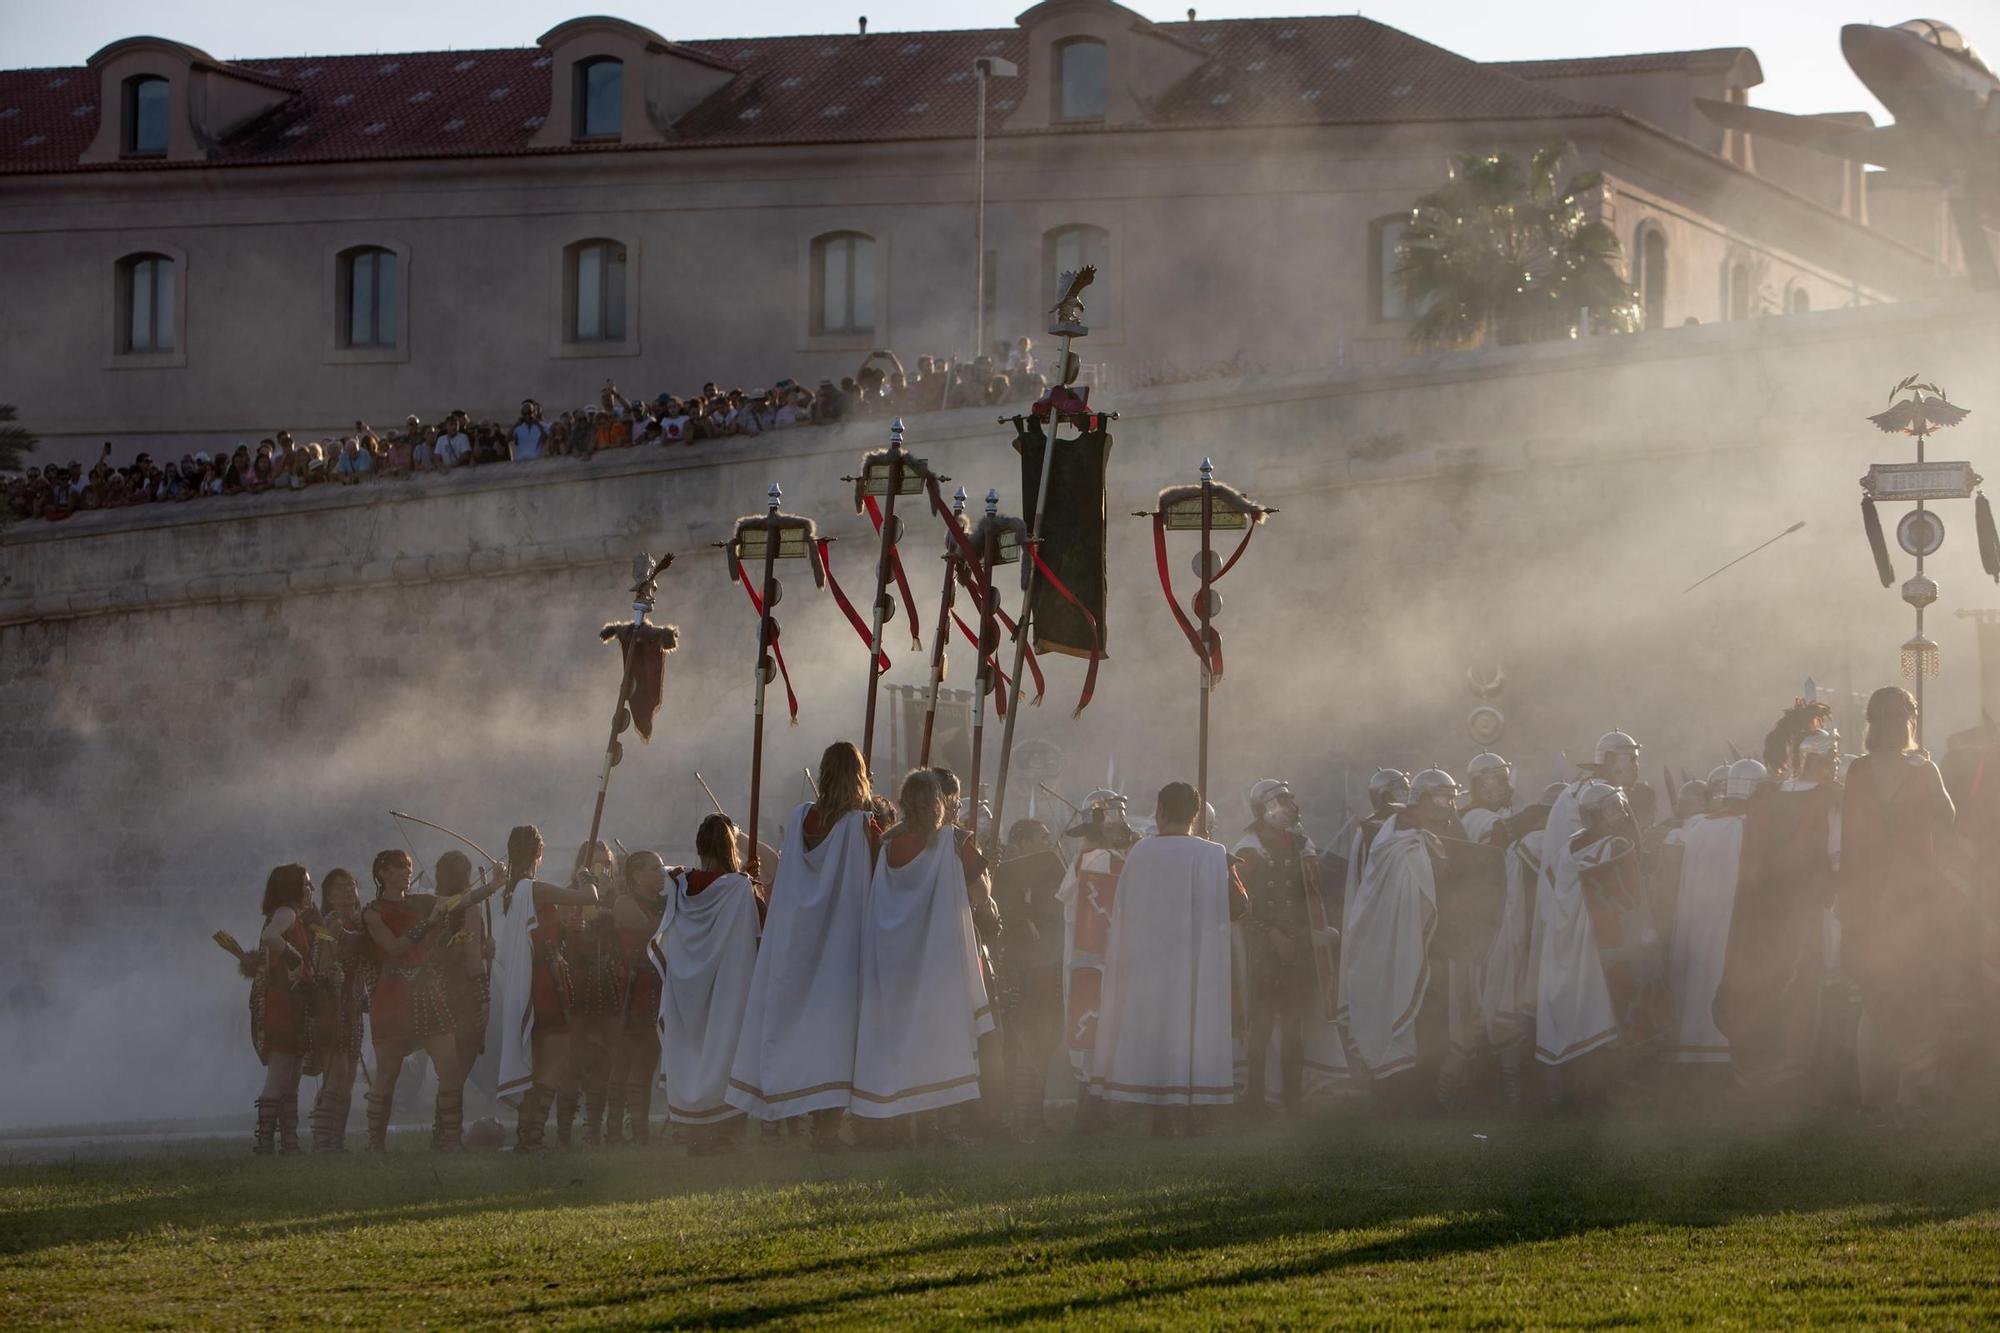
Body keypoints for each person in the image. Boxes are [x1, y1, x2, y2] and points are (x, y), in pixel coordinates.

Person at [726, 742, 883, 1147]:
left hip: (800, 937)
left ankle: (810, 1120)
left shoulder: (801, 818)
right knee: (835, 1030)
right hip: (841, 940)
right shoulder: (861, 825)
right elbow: (878, 873)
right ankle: (825, 1127)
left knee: (809, 1027)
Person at [1089, 783, 1247, 1136]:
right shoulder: (1214, 854)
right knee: (1191, 1028)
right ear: (1195, 814)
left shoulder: (1141, 853)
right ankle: (1191, 1115)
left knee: (1159, 1032)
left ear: (1160, 810)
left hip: (1150, 963)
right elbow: (1240, 909)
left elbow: (1125, 911)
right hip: (1196, 963)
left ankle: (1161, 1116)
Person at [851, 770, 996, 1140]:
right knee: (937, 1037)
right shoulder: (953, 841)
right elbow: (980, 895)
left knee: (900, 1039)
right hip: (935, 959)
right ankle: (935, 1125)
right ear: (938, 802)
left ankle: (898, 1123)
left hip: (895, 956)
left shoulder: (886, 846)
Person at [1838, 686, 1960, 1114]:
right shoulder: (1923, 770)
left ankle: (1875, 1097)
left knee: (1875, 995)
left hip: (1867, 898)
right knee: (1912, 990)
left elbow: (1850, 838)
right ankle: (1915, 1090)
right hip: (1910, 897)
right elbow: (1948, 820)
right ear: (1907, 721)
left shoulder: (1857, 772)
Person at [1715, 720, 1842, 1094]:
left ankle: (1767, 1067)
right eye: (1831, 756)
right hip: (1807, 910)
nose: (1835, 763)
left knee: (1771, 983)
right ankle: (1801, 1068)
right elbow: (1836, 859)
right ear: (1814, 758)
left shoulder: (1768, 796)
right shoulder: (1828, 797)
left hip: (1765, 910)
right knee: (1804, 985)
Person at [1343, 770, 1456, 1112]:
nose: (1449, 806)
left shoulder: (1421, 836)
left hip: (1426, 941)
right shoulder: (1398, 839)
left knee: (1433, 1018)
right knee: (1404, 1011)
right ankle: (1396, 1097)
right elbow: (1402, 892)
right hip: (1397, 941)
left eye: (1452, 798)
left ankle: (1425, 1094)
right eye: (1443, 797)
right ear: (1422, 799)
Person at [1533, 732, 1643, 1075]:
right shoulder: (1582, 797)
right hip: (1580, 908)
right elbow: (1587, 854)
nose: (1636, 765)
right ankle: (1585, 1078)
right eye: (1631, 757)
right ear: (1611, 759)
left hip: (1599, 908)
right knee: (1586, 992)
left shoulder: (1602, 792)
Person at [656, 815, 764, 1154]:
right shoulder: (739, 889)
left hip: (686, 986)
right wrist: (752, 884)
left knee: (692, 1054)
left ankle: (695, 1134)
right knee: (725, 1053)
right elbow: (762, 925)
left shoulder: (679, 885)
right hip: (725, 988)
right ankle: (723, 1134)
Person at [493, 824, 603, 1152]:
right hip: (544, 984)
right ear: (538, 854)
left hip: (537, 980)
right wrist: (587, 880)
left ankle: (528, 1137)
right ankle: (533, 1138)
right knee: (551, 1066)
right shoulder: (533, 889)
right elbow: (589, 898)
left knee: (540, 1064)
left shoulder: (513, 892)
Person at [1235, 778, 1336, 1115]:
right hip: (1264, 950)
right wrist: (1271, 935)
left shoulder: (1301, 845)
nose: (1292, 807)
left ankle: (1293, 1099)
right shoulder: (1248, 849)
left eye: (1291, 800)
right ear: (1267, 808)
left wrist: (1309, 936)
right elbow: (1241, 907)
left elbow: (1310, 897)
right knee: (1261, 1026)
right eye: (1284, 801)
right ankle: (1255, 1099)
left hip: (1299, 947)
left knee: (1295, 1026)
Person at [360, 849, 464, 1152]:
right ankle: (374, 1145)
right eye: (401, 867)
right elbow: (393, 948)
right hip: (392, 993)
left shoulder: (421, 902)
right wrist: (430, 922)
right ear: (383, 873)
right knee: (388, 1073)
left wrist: (494, 884)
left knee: (449, 1066)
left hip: (425, 990)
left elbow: (461, 901)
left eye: (408, 866)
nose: (408, 871)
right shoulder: (373, 911)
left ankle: (450, 1140)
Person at [1664, 759, 1761, 1074]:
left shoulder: (1699, 826)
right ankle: (1721, 1055)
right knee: (1721, 977)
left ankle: (1694, 1053)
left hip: (1698, 919)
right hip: (1729, 923)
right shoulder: (1748, 828)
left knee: (1697, 982)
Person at [1056, 788, 1138, 1132]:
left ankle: (1094, 1109)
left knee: (1099, 1031)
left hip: (1096, 956)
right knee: (1095, 1029)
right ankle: (1091, 1113)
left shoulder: (1093, 857)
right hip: (1094, 956)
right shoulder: (1101, 860)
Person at [992, 819, 1067, 1138]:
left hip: (1044, 967)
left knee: (1044, 1041)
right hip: (1020, 969)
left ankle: (1031, 1115)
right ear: (1022, 841)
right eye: (1041, 837)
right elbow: (1007, 917)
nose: (1047, 842)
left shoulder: (1046, 871)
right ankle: (1017, 1117)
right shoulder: (1006, 872)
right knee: (1021, 1042)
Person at [250, 864, 316, 1154]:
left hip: (295, 1002)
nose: (310, 890)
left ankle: (290, 1143)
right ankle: (265, 1143)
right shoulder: (286, 912)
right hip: (284, 1003)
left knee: (291, 1076)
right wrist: (295, 958)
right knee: (280, 1074)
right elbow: (270, 938)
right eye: (306, 884)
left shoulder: (294, 916)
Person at [563, 839, 623, 1148]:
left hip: (608, 983)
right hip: (577, 981)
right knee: (573, 1058)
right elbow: (565, 933)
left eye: (605, 863)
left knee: (607, 1060)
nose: (602, 868)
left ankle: (597, 1129)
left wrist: (609, 900)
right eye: (595, 863)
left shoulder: (619, 896)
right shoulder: (570, 894)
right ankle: (563, 1132)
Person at [606, 849, 668, 1146]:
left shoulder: (664, 904)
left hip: (656, 988)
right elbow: (649, 930)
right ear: (636, 875)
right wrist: (676, 915)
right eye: (655, 868)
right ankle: (626, 1133)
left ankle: (633, 1132)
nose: (661, 873)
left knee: (646, 1060)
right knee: (629, 1063)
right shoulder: (624, 903)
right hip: (632, 990)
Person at [306, 868, 368, 1152]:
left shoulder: (358, 923)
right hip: (332, 1006)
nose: (347, 891)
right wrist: (333, 975)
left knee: (348, 1077)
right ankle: (323, 1141)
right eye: (340, 887)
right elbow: (320, 965)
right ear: (329, 895)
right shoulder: (329, 923)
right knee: (336, 1074)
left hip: (353, 1006)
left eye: (351, 885)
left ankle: (336, 1140)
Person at [433, 852, 494, 1088]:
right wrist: (484, 999)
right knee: (458, 1071)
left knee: (448, 1071)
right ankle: (448, 1124)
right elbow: (471, 958)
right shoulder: (469, 908)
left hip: (438, 991)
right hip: (464, 992)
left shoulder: (433, 906)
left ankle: (444, 1122)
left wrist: (485, 948)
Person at [1460, 753, 1515, 844]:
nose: (1509, 788)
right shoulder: (1489, 822)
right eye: (1501, 781)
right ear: (1482, 786)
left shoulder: (1464, 816)